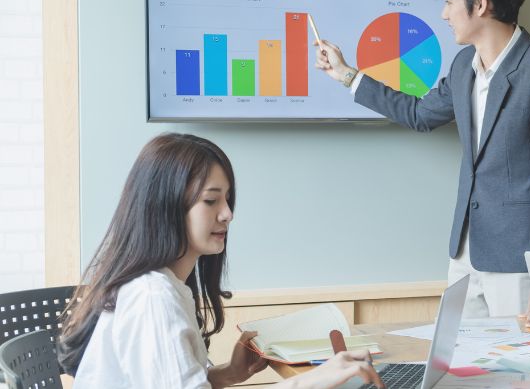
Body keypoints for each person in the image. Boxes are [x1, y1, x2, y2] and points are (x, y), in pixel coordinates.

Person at [314, 0, 530, 324]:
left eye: (450, 2)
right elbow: (420, 114)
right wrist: (346, 75)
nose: (444, 14)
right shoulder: (463, 68)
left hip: (520, 260)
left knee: (523, 359)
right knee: (462, 354)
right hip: (465, 253)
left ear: (480, 5)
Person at [58, 133, 384, 388]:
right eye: (211, 200)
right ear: (166, 205)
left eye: (227, 199)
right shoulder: (153, 296)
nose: (228, 214)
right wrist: (310, 380)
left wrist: (228, 374)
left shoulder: (165, 287)